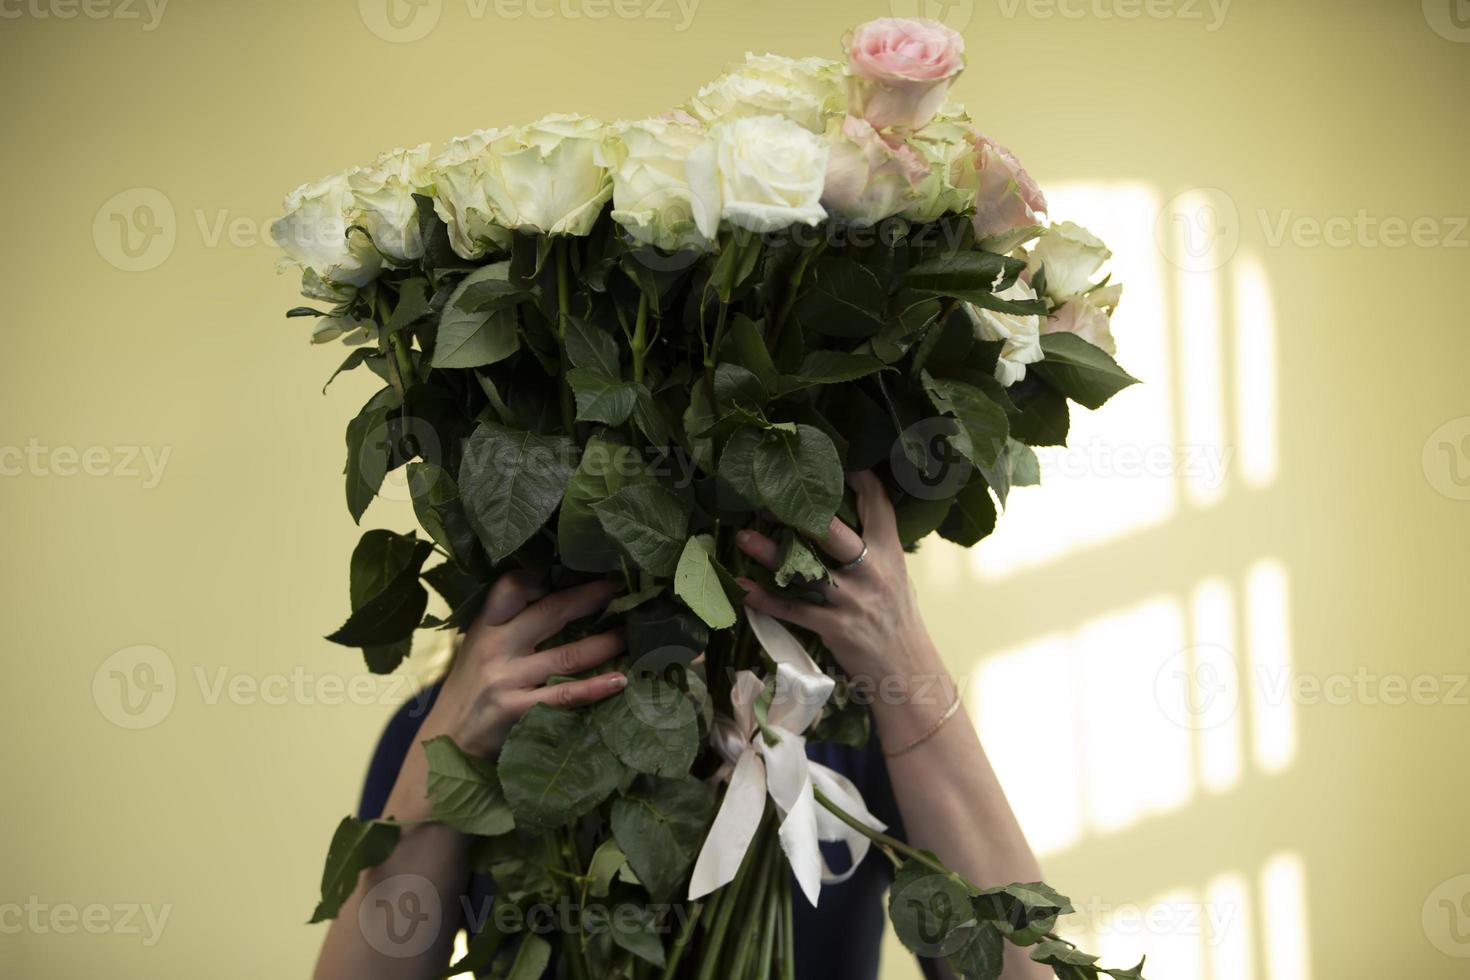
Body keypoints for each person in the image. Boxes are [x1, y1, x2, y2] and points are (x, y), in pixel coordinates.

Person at [314, 472, 1048, 979]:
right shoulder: (474, 724)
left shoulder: (843, 719)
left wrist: (904, 656)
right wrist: (452, 742)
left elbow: (1020, 969)